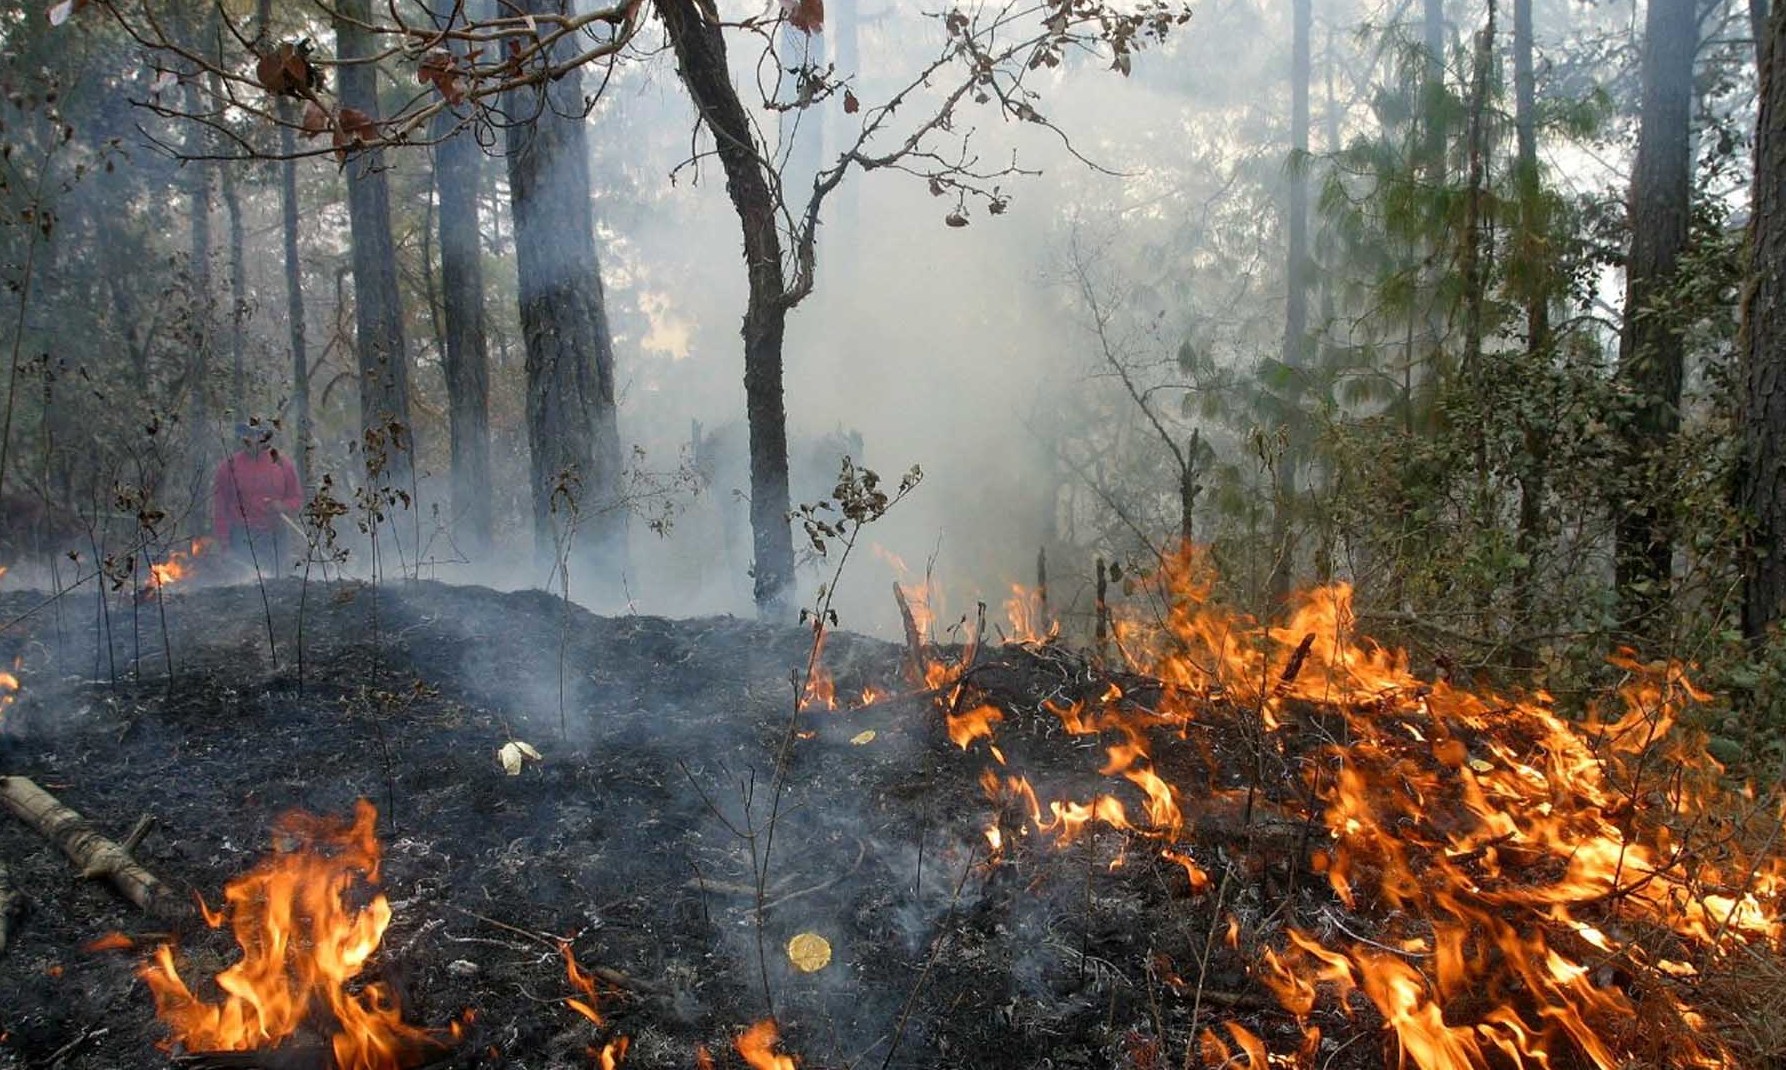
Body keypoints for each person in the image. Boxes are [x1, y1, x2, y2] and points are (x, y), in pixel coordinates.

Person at [213, 423, 303, 569]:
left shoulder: (282, 464)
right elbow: (220, 508)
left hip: (275, 536)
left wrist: (282, 506)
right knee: (245, 583)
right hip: (242, 537)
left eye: (257, 435)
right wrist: (224, 543)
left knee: (278, 584)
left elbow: (296, 498)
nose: (252, 440)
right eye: (248, 435)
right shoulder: (228, 467)